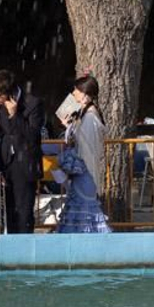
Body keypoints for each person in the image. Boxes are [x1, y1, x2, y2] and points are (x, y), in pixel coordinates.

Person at [0, 69, 44, 234]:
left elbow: (32, 135)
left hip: (24, 163)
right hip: (6, 162)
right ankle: (11, 250)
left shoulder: (33, 103)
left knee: (24, 211)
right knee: (8, 211)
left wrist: (14, 116)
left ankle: (25, 250)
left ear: (9, 92)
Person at [55, 74, 111, 233]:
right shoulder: (84, 115)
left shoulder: (90, 118)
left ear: (85, 94)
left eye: (76, 90)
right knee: (80, 212)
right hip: (81, 173)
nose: (73, 94)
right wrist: (68, 125)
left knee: (85, 213)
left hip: (85, 173)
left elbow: (86, 149)